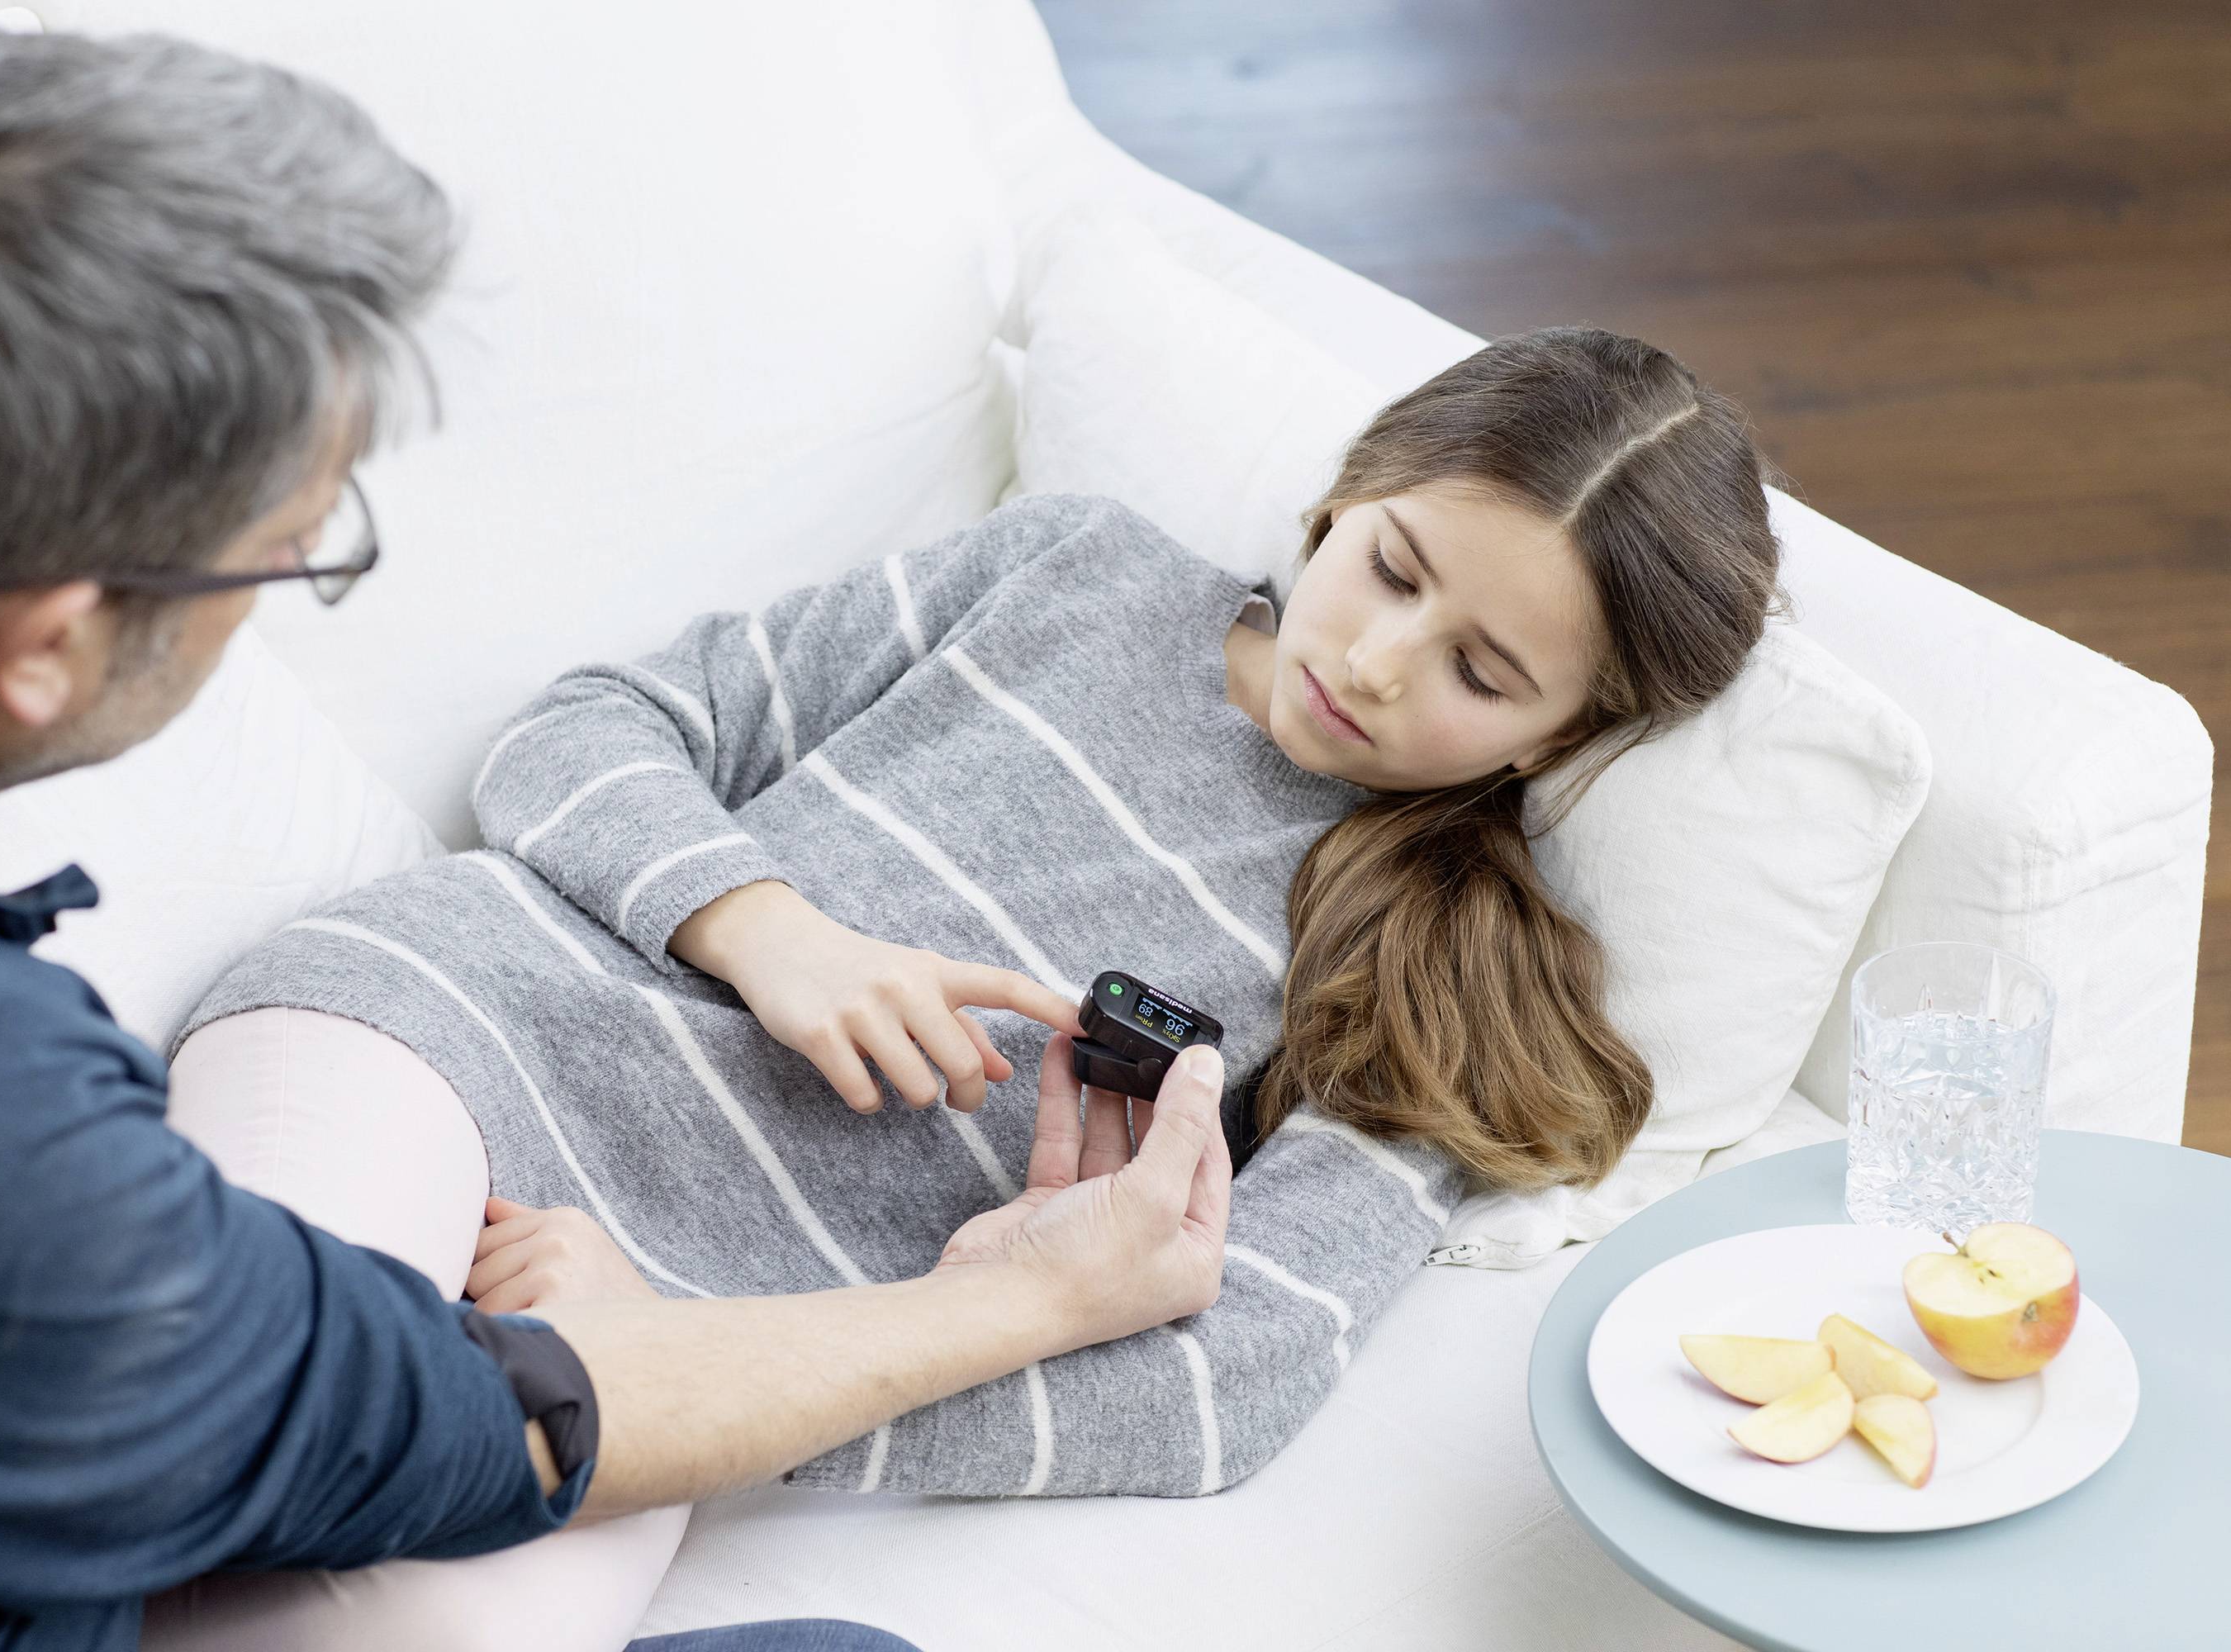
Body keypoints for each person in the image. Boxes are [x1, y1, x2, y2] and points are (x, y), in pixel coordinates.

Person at [0, 29, 1234, 1652]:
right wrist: (1033, 1295)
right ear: (46, 642)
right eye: (278, 559)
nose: (278, 601)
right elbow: (490, 1428)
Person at [173, 327, 1786, 1500]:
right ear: (1346, 496)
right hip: (449, 1031)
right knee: (228, 1420)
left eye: (1481, 672)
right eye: (1393, 568)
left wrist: (708, 1375)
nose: (1377, 660)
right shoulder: (1076, 571)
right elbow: (587, 726)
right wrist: (769, 929)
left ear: (1561, 739)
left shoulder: (1445, 977)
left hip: (673, 1345)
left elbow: (1239, 1377)